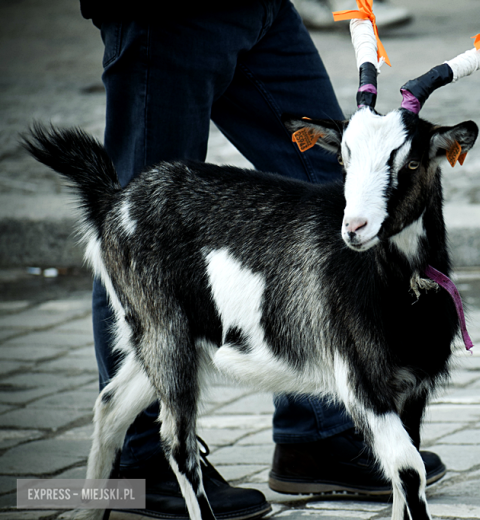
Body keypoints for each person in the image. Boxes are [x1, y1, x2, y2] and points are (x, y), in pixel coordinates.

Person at [77, 1, 444, 518]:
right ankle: (138, 462)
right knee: (141, 230)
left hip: (263, 9)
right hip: (165, 15)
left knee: (338, 187)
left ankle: (318, 436)